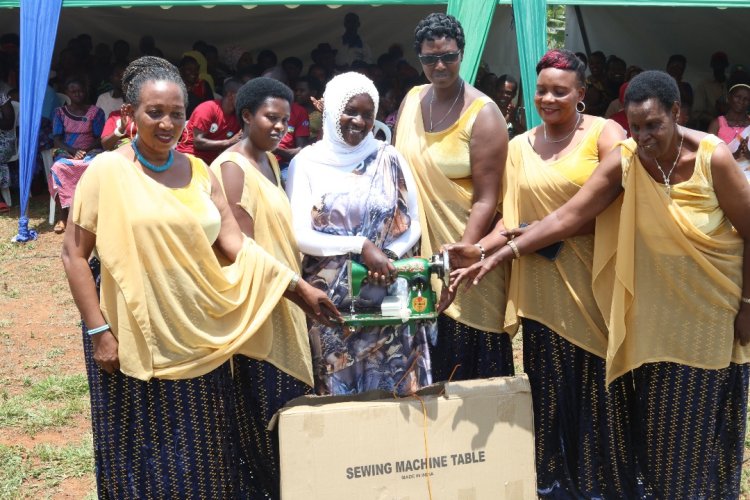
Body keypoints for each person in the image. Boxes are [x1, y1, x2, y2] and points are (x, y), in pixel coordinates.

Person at [452, 70, 750, 499]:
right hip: (652, 315)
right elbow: (566, 216)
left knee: (694, 426)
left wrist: (747, 304)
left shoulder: (712, 158)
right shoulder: (628, 158)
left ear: (677, 113)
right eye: (636, 126)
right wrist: (495, 253)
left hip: (709, 312)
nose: (643, 137)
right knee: (655, 429)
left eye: (654, 125)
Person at [61, 56, 340, 498]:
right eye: (155, 112)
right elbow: (74, 255)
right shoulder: (107, 171)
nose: (167, 124)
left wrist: (296, 287)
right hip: (139, 335)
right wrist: (99, 332)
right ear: (130, 114)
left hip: (201, 336)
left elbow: (236, 246)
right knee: (147, 455)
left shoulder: (197, 172)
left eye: (177, 113)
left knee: (203, 457)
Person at [444, 48, 633, 498]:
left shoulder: (605, 134)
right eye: (542, 90)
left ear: (581, 93)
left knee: (596, 385)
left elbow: (610, 207)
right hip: (539, 286)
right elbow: (510, 220)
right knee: (549, 388)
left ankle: (599, 485)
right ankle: (553, 485)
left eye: (560, 92)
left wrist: (525, 238)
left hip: (593, 280)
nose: (548, 99)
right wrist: (476, 249)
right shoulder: (517, 147)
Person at [287, 71, 432, 395]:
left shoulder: (389, 157)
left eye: (368, 114)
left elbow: (414, 223)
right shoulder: (306, 162)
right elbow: (299, 235)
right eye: (350, 111)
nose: (359, 121)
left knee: (398, 395)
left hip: (389, 296)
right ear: (331, 110)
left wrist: (387, 258)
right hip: (333, 308)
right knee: (341, 401)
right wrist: (362, 246)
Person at [393, 12, 512, 382]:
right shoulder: (412, 100)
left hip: (466, 252)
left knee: (471, 364)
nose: (440, 66)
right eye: (430, 58)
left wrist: (458, 259)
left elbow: (487, 199)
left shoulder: (483, 114)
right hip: (418, 255)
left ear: (462, 54)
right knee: (426, 364)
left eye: (449, 56)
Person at [209, 77, 313, 498]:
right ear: (247, 115)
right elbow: (243, 252)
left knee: (288, 415)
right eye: (271, 117)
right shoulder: (232, 170)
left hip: (284, 294)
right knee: (267, 413)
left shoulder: (267, 160)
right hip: (261, 309)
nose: (280, 127)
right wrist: (296, 289)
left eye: (285, 120)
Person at [49, 77, 105, 233]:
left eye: (80, 91)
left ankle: (94, 213)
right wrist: (73, 151)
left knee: (96, 165)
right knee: (59, 168)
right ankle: (63, 215)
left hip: (91, 150)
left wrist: (85, 150)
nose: (77, 94)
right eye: (73, 91)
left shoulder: (96, 112)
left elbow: (100, 138)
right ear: (67, 93)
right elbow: (57, 139)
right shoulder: (60, 113)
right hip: (67, 150)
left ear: (85, 92)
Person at [177, 78, 242, 165]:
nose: (245, 98)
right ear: (231, 95)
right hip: (190, 157)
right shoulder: (208, 108)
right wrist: (229, 142)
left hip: (214, 162)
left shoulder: (238, 117)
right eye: (242, 95)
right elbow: (198, 142)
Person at [708, 81, 750, 174]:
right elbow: (707, 154)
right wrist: (734, 155)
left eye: (746, 99)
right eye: (737, 97)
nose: (741, 101)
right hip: (723, 175)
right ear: (729, 98)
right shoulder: (717, 124)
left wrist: (748, 154)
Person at [694, 51, 730, 130]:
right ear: (712, 66)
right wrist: (716, 120)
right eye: (717, 65)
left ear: (725, 66)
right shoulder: (704, 85)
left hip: (729, 125)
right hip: (707, 126)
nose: (719, 68)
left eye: (721, 65)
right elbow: (696, 113)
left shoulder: (730, 84)